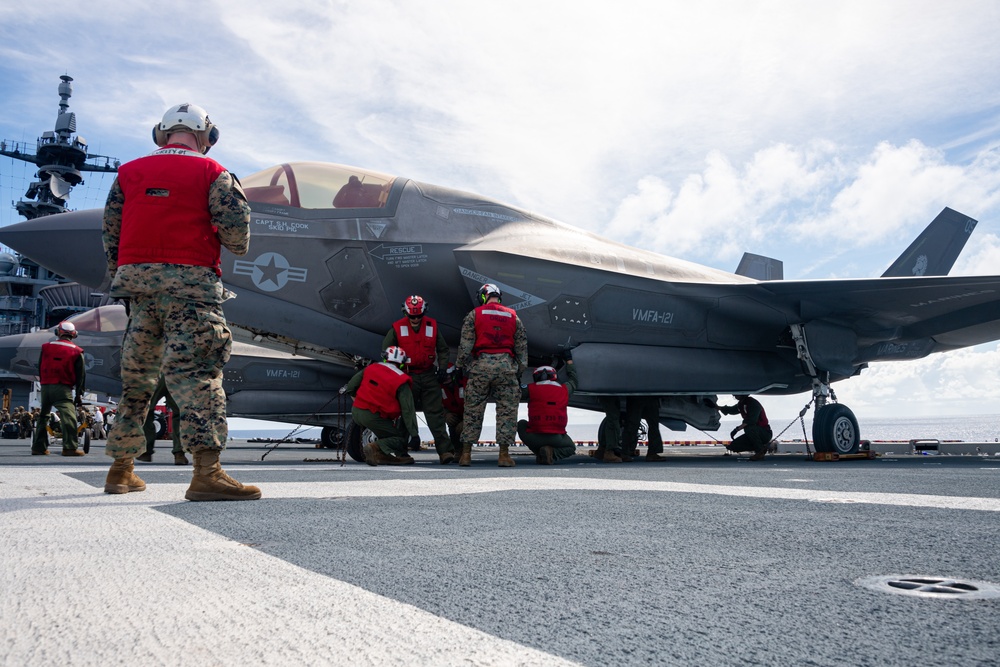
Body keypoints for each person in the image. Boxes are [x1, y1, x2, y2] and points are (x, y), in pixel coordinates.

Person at [101, 102, 259, 500]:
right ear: (207, 135)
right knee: (198, 377)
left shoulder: (128, 175)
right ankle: (207, 474)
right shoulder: (214, 173)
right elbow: (237, 237)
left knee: (137, 380)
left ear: (162, 133)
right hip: (191, 291)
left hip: (138, 292)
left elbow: (111, 238)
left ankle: (121, 470)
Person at [455, 283, 527, 467]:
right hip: (506, 367)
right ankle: (503, 455)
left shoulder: (475, 314)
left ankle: (465, 455)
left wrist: (460, 366)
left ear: (483, 296)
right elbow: (521, 348)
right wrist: (518, 369)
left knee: (472, 411)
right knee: (507, 411)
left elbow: (465, 346)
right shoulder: (513, 316)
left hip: (480, 367)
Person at [382, 295, 456, 463]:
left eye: (418, 315)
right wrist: (396, 372)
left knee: (436, 414)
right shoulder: (397, 328)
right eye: (412, 316)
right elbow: (387, 351)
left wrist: (442, 368)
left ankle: (445, 452)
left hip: (429, 374)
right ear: (405, 313)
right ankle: (401, 452)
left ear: (424, 312)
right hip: (407, 376)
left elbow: (443, 349)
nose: (415, 319)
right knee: (405, 414)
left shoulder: (432, 326)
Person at [341, 346, 420, 466]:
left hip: (356, 411)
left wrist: (359, 402)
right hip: (374, 415)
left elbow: (351, 387)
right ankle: (375, 447)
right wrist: (414, 435)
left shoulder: (371, 368)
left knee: (386, 432)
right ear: (403, 364)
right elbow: (408, 410)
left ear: (385, 358)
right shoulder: (402, 380)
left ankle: (385, 456)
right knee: (399, 439)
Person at [32, 321, 86, 456]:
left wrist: (44, 382)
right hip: (62, 387)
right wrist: (79, 394)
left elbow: (40, 366)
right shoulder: (77, 351)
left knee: (43, 416)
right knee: (69, 417)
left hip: (45, 386)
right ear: (74, 335)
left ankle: (38, 448)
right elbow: (81, 376)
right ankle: (69, 447)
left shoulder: (45, 347)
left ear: (58, 332)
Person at [516, 352, 579, 464]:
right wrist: (569, 360)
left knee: (521, 424)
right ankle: (552, 454)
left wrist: (516, 371)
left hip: (534, 436)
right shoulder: (564, 389)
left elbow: (515, 390)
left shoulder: (531, 389)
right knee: (570, 448)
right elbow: (574, 380)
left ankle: (540, 453)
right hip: (557, 437)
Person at [136, 375, 188, 465]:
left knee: (146, 408)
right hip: (176, 372)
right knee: (179, 412)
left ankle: (145, 451)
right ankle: (179, 453)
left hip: (155, 371)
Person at [718, 394, 773, 460]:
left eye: (736, 395)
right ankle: (762, 446)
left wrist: (737, 429)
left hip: (764, 433)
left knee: (749, 428)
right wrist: (716, 407)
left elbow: (750, 421)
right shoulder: (741, 404)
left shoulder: (753, 404)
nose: (735, 396)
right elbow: (731, 410)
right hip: (753, 433)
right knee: (733, 446)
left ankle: (759, 452)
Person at [622, 396, 668, 462]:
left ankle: (626, 452)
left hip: (641, 395)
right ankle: (625, 452)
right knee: (634, 424)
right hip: (642, 395)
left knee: (635, 424)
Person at [440, 363, 465, 452]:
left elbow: (476, 407)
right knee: (452, 422)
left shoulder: (465, 384)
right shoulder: (439, 389)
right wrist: (446, 414)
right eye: (444, 376)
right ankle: (457, 450)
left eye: (448, 375)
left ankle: (466, 452)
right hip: (454, 414)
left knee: (465, 428)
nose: (447, 378)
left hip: (468, 415)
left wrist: (466, 422)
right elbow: (438, 406)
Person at [593, 397, 626, 463]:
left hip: (610, 392)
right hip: (609, 393)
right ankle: (609, 452)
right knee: (613, 420)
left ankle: (602, 450)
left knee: (613, 418)